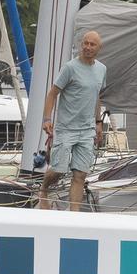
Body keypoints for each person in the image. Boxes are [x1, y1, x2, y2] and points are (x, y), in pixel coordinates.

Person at [39, 30, 106, 210]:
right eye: (85, 43)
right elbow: (53, 94)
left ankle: (73, 214)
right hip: (66, 128)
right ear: (80, 44)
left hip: (86, 130)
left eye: (92, 44)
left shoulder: (101, 69)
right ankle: (43, 189)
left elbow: (96, 95)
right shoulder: (70, 67)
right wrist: (46, 119)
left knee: (80, 175)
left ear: (99, 48)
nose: (88, 47)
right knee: (59, 170)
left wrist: (98, 122)